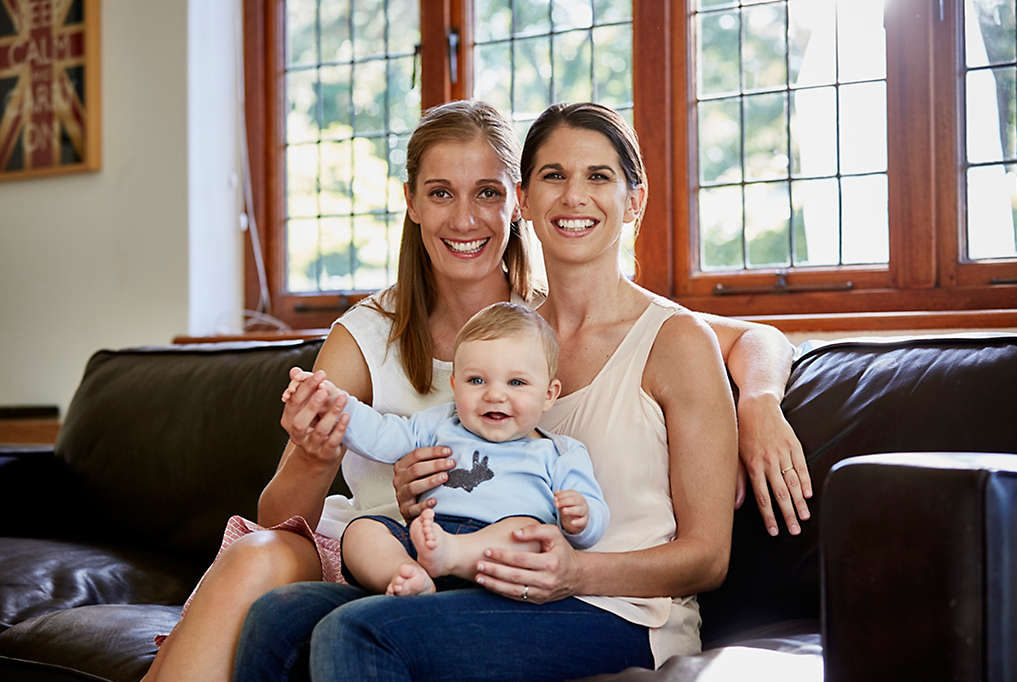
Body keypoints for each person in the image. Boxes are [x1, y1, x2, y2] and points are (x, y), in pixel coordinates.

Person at [143, 100, 805, 682]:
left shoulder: (670, 335)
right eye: (554, 176)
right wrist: (407, 487)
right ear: (532, 197)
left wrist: (759, 401)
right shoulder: (508, 342)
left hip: (619, 608)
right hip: (485, 583)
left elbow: (708, 557)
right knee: (281, 614)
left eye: (598, 176)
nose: (573, 196)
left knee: (355, 631)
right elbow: (445, 447)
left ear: (633, 201)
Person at [310, 301, 608, 596]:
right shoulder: (440, 424)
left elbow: (591, 517)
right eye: (476, 380)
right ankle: (405, 575)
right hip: (427, 538)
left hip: (500, 554)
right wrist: (335, 403)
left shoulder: (559, 452)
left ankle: (452, 556)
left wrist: (580, 519)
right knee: (361, 532)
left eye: (516, 382)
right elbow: (382, 435)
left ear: (548, 394)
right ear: (455, 385)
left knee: (531, 534)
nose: (494, 394)